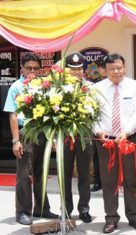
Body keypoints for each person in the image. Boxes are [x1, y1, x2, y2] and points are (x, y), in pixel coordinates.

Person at [93, 53, 136, 233]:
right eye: (111, 69)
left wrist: (126, 132)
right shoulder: (96, 89)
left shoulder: (135, 86)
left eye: (119, 67)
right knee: (109, 181)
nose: (116, 72)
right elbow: (91, 115)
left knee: (131, 180)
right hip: (105, 141)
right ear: (104, 71)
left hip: (128, 140)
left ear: (124, 67)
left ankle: (134, 216)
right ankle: (111, 218)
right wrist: (98, 131)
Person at [3, 52, 58, 225]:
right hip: (25, 133)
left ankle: (42, 208)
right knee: (24, 175)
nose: (32, 71)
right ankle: (23, 211)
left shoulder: (43, 86)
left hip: (42, 133)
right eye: (29, 68)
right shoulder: (16, 87)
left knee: (42, 173)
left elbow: (49, 112)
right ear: (22, 68)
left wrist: (52, 136)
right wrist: (16, 140)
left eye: (36, 68)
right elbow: (13, 115)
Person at [63, 52, 93, 223]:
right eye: (72, 69)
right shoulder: (57, 88)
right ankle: (66, 208)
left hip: (84, 137)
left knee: (84, 175)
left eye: (79, 69)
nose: (76, 72)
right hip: (65, 138)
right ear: (67, 70)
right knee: (64, 174)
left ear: (83, 70)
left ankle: (84, 209)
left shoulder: (89, 88)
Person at [89, 55, 107, 192]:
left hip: (113, 127)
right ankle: (98, 181)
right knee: (96, 156)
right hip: (97, 126)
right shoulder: (94, 84)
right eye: (102, 68)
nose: (104, 70)